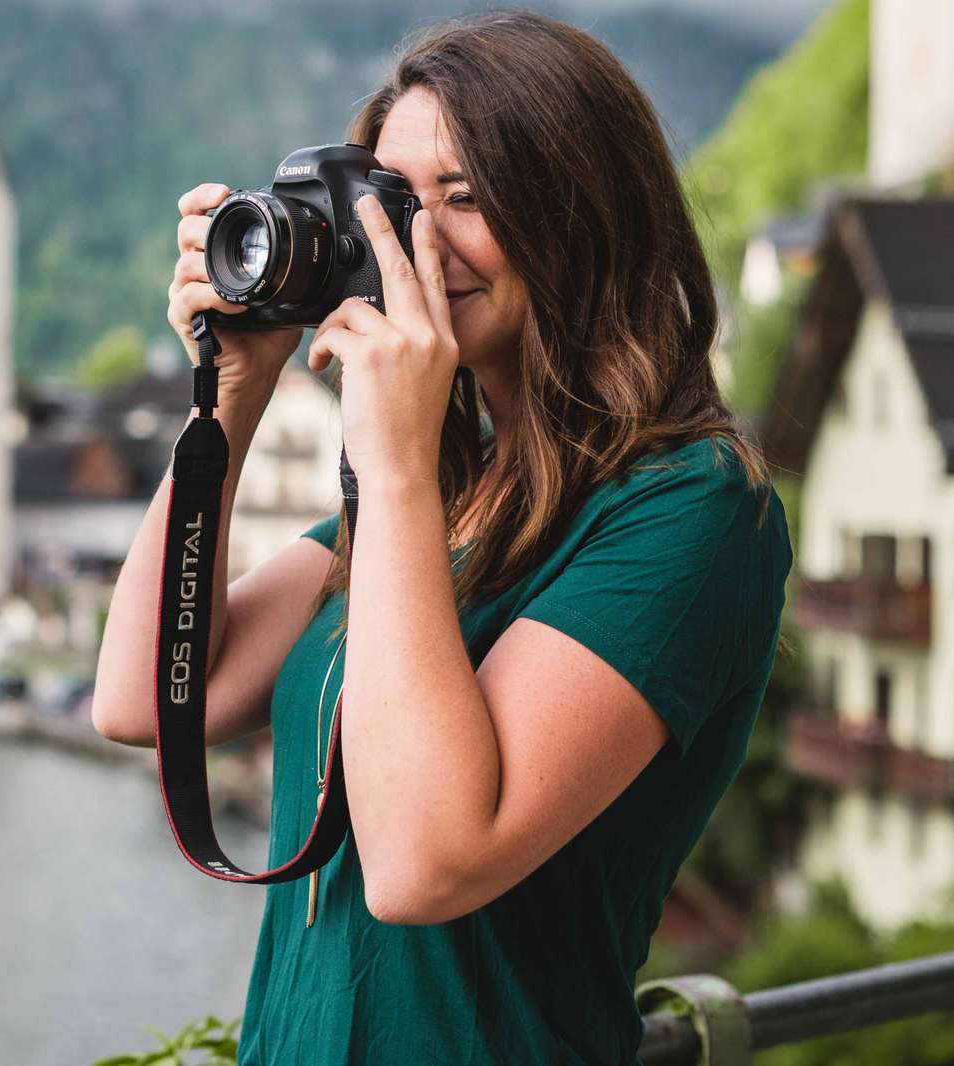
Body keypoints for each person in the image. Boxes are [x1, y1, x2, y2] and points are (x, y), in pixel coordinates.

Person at [90, 10, 792, 1065]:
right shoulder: (424, 499)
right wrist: (233, 391)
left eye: (465, 199)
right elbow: (145, 698)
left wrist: (398, 460)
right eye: (393, 204)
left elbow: (423, 863)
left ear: (586, 213)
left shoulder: (691, 511)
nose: (416, 245)